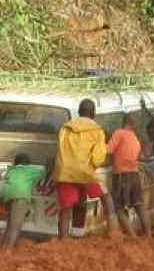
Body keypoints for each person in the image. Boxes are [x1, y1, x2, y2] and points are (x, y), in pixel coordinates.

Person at [53, 99, 125, 238]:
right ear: (93, 113)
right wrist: (91, 166)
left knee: (66, 209)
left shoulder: (65, 128)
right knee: (106, 197)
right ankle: (113, 232)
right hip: (85, 173)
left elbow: (60, 148)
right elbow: (98, 157)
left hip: (64, 172)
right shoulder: (97, 131)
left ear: (79, 112)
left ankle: (63, 241)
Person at [106, 113, 147, 236]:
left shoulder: (119, 133)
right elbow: (139, 156)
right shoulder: (135, 137)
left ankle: (133, 237)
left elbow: (108, 150)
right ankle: (148, 234)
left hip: (121, 175)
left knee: (118, 208)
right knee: (139, 205)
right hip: (135, 174)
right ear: (133, 124)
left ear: (124, 122)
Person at [0, 153, 46, 251]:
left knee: (10, 224)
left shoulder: (11, 170)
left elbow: (5, 177)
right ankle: (8, 250)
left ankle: (3, 246)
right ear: (28, 164)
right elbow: (44, 174)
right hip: (20, 197)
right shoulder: (32, 171)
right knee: (16, 227)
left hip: (7, 196)